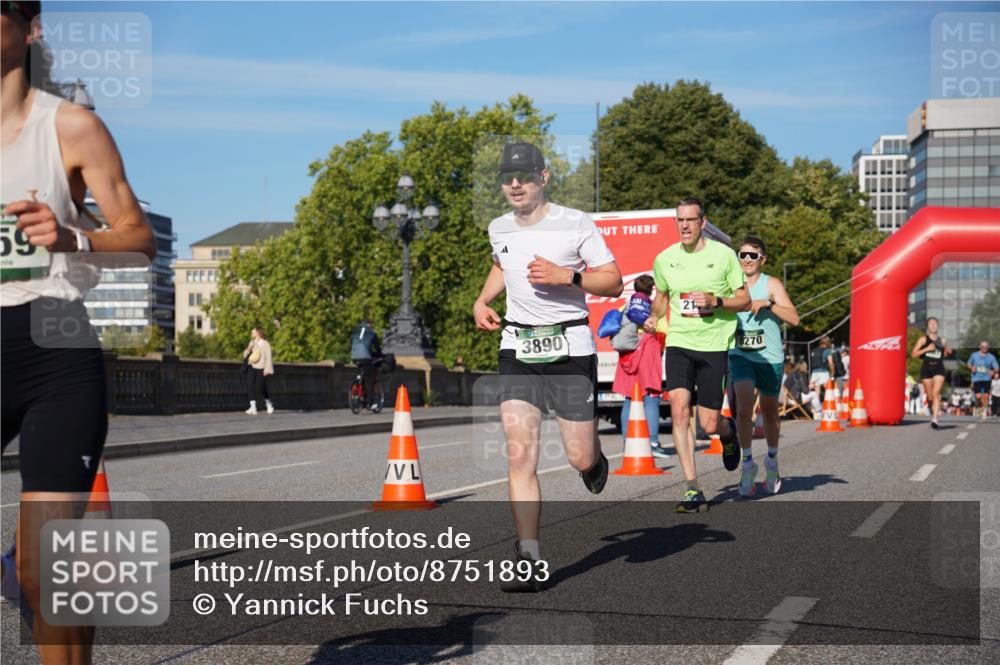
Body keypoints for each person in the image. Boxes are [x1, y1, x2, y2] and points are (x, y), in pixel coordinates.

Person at [1, 2, 156, 662]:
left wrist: (71, 236)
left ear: (27, 26)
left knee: (46, 568)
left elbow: (140, 237)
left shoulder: (70, 127)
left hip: (52, 346)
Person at [473, 141, 622, 591]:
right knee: (520, 454)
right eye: (507, 177)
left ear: (543, 177)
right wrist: (483, 299)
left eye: (523, 175)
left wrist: (568, 276)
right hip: (518, 346)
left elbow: (613, 282)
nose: (514, 184)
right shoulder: (498, 227)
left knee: (578, 454)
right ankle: (529, 559)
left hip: (570, 346)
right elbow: (503, 265)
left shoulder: (575, 223)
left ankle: (593, 461)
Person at [645, 197, 749, 513]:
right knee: (678, 410)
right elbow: (662, 297)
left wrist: (716, 301)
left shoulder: (724, 256)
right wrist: (653, 316)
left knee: (709, 421)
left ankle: (729, 434)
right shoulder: (664, 259)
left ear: (703, 222)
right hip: (679, 341)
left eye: (691, 220)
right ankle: (693, 489)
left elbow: (744, 300)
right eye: (680, 220)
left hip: (714, 344)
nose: (685, 226)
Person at [727, 236, 800, 496]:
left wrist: (769, 305)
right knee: (744, 407)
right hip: (740, 354)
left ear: (762, 259)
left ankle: (772, 459)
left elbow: (794, 318)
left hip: (769, 357)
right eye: (743, 255)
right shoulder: (731, 283)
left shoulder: (772, 284)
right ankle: (747, 463)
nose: (747, 260)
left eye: (753, 256)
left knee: (769, 411)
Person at [612, 274, 667, 457]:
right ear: (651, 289)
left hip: (627, 354)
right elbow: (664, 329)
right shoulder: (653, 309)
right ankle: (652, 442)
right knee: (651, 397)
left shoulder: (625, 306)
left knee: (629, 398)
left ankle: (629, 442)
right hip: (647, 353)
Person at [911, 317, 951, 428]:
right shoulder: (923, 339)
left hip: (939, 368)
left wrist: (948, 351)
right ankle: (930, 406)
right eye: (930, 324)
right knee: (930, 396)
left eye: (935, 323)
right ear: (928, 327)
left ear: (938, 326)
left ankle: (935, 419)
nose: (933, 325)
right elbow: (914, 354)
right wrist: (927, 349)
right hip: (926, 368)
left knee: (936, 393)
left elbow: (946, 353)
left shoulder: (943, 340)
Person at [350, 318, 381, 410]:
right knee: (370, 379)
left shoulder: (355, 332)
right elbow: (377, 348)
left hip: (354, 356)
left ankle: (358, 386)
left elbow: (353, 344)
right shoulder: (372, 333)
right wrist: (379, 354)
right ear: (369, 325)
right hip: (365, 358)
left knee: (362, 374)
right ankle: (370, 404)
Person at [243, 326, 274, 414]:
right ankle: (253, 407)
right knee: (249, 385)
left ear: (258, 333)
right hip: (251, 366)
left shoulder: (265, 344)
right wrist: (248, 349)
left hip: (262, 368)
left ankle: (268, 403)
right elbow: (245, 355)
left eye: (253, 332)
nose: (252, 334)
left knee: (260, 387)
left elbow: (268, 357)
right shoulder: (252, 342)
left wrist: (267, 369)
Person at [967, 341, 999, 420]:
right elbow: (968, 364)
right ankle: (979, 407)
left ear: (988, 348)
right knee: (978, 396)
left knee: (985, 396)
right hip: (976, 378)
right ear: (980, 347)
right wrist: (972, 368)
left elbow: (997, 368)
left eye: (986, 347)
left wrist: (993, 371)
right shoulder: (974, 355)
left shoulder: (991, 357)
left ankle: (984, 411)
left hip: (986, 378)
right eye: (982, 346)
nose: (984, 348)